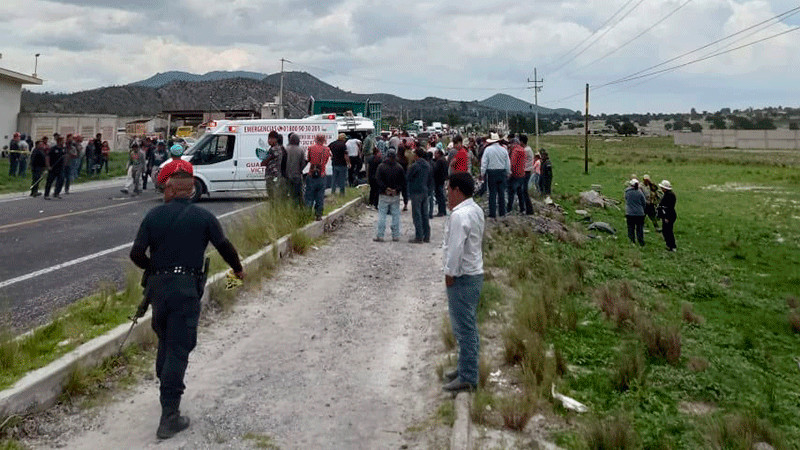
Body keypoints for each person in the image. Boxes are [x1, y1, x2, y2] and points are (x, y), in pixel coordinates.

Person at [130, 170, 243, 440]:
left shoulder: (153, 216)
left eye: (165, 188)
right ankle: (169, 416)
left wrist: (155, 268)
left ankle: (165, 388)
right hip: (186, 289)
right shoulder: (204, 217)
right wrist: (238, 270)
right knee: (179, 347)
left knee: (166, 340)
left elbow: (136, 254)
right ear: (191, 191)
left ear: (170, 189)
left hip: (158, 289)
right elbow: (224, 246)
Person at [442, 172, 485, 392]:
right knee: (467, 326)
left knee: (464, 328)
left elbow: (456, 248)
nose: (447, 194)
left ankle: (468, 376)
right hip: (475, 273)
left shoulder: (459, 216)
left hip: (462, 276)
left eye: (449, 190)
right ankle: (464, 367)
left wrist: (450, 273)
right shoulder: (475, 210)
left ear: (457, 190)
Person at [374, 147, 405, 242]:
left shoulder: (381, 167)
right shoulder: (399, 167)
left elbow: (378, 180)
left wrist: (386, 188)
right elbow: (403, 182)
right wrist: (396, 190)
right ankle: (395, 235)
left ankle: (380, 235)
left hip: (384, 194)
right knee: (396, 215)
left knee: (382, 215)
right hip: (395, 195)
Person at [480, 133, 511, 218]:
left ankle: (492, 213)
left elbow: (484, 163)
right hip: (502, 172)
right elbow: (507, 163)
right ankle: (502, 212)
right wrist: (508, 172)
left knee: (492, 194)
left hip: (491, 173)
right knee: (501, 193)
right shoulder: (503, 150)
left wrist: (482, 173)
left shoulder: (488, 150)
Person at [407, 147, 432, 243]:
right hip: (425, 191)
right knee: (425, 214)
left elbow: (408, 177)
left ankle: (419, 236)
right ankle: (427, 235)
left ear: (416, 155)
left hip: (416, 191)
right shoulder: (427, 165)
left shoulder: (415, 166)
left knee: (417, 214)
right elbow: (430, 178)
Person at [305, 134, 330, 220]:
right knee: (320, 197)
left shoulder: (311, 148)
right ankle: (318, 215)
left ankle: (307, 215)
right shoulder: (327, 150)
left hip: (311, 174)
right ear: (324, 140)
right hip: (321, 175)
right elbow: (326, 161)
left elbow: (308, 159)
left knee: (309, 196)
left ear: (316, 139)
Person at [507, 138, 533, 215]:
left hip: (515, 174)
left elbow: (513, 162)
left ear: (512, 144)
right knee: (520, 192)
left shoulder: (515, 151)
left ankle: (509, 208)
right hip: (522, 173)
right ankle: (522, 208)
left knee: (511, 192)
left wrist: (510, 172)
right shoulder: (522, 150)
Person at [284, 133, 307, 206]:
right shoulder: (300, 150)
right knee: (298, 194)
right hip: (296, 175)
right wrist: (300, 170)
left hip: (287, 175)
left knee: (290, 193)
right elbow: (303, 163)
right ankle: (297, 208)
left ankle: (291, 208)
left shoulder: (285, 149)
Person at [259, 130, 284, 198]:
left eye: (270, 139)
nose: (268, 141)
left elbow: (265, 161)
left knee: (273, 196)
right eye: (268, 139)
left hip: (273, 176)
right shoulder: (277, 148)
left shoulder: (274, 149)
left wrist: (264, 161)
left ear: (275, 139)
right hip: (275, 175)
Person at [624, 178, 647, 246]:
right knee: (639, 228)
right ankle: (641, 241)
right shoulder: (640, 192)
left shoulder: (627, 192)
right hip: (640, 213)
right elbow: (644, 202)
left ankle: (632, 241)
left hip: (630, 213)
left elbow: (626, 199)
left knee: (631, 228)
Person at [44, 135, 67, 200]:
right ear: (58, 141)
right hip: (53, 167)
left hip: (61, 168)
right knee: (50, 181)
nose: (63, 142)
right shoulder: (53, 148)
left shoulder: (63, 149)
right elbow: (47, 157)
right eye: (62, 141)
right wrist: (48, 166)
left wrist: (64, 164)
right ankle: (46, 194)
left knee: (61, 180)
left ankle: (56, 193)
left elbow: (65, 157)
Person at [657, 180, 677, 252]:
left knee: (668, 231)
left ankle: (671, 246)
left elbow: (669, 207)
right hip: (668, 215)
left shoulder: (669, 195)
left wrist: (667, 217)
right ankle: (669, 245)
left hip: (668, 216)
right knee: (666, 231)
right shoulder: (668, 194)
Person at [433, 149, 449, 217]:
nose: (434, 155)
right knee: (442, 196)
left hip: (439, 180)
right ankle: (443, 211)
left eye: (435, 154)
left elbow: (436, 170)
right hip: (442, 179)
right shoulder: (444, 160)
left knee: (439, 196)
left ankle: (441, 211)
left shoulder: (439, 161)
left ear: (439, 154)